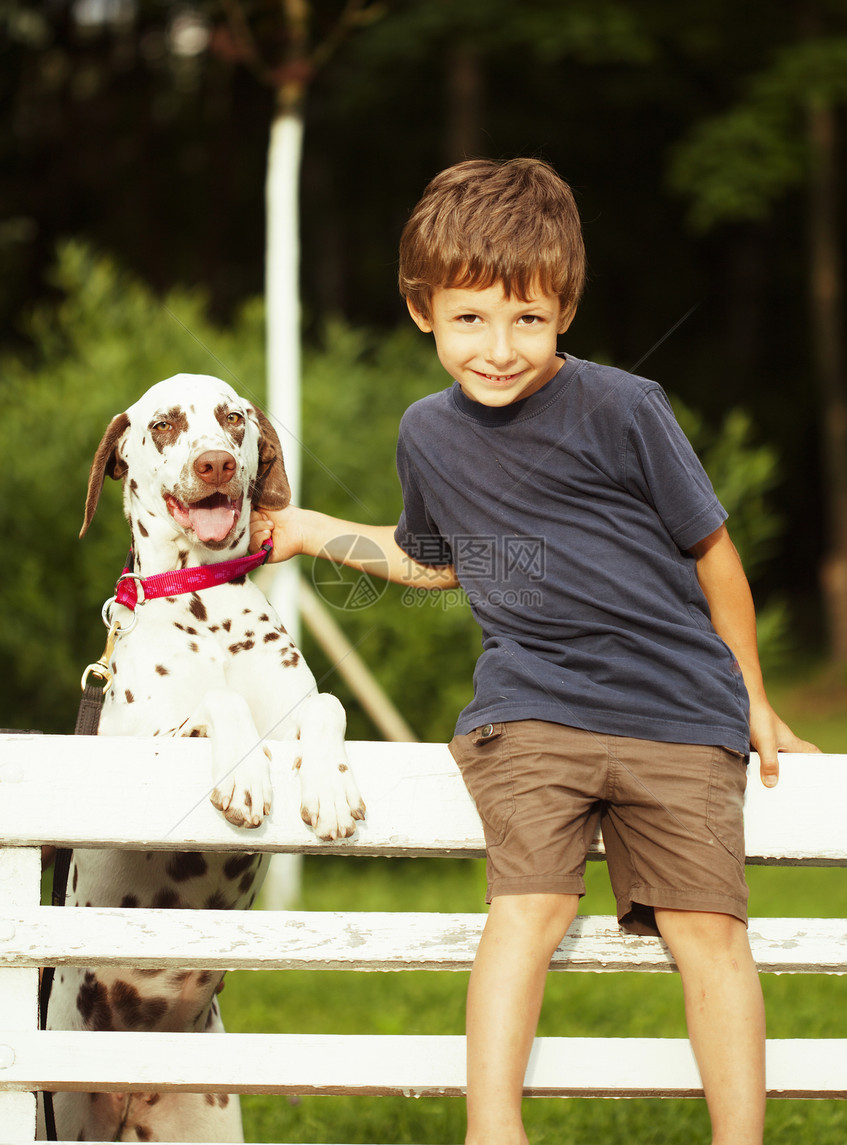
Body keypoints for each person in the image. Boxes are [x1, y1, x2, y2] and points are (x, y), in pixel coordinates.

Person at [250, 157, 818, 1145]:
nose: (499, 348)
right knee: (529, 909)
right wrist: (306, 530)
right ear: (423, 309)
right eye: (470, 318)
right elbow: (434, 561)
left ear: (564, 309)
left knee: (706, 931)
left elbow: (711, 550)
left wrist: (749, 692)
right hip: (529, 712)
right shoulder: (425, 432)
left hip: (677, 710)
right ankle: (493, 1128)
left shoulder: (624, 408)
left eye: (527, 319)